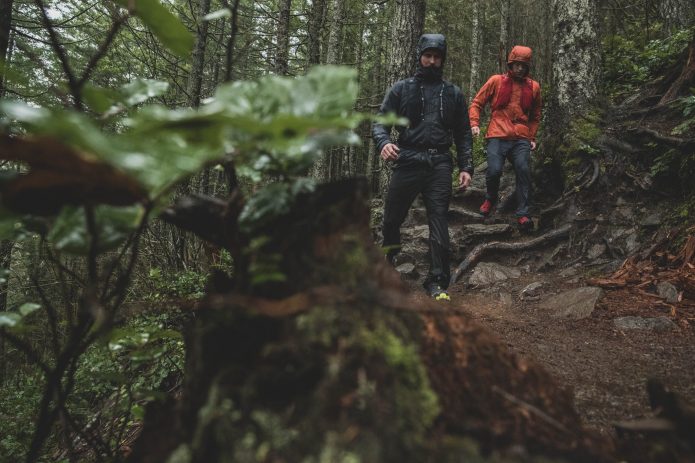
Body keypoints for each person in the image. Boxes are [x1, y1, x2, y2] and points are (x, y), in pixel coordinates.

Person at [372, 33, 473, 301]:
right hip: (407, 159)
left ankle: (437, 281)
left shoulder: (453, 94)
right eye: (427, 56)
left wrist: (466, 167)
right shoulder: (401, 89)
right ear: (419, 56)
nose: (431, 61)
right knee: (392, 218)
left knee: (438, 220)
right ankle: (388, 264)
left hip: (439, 163)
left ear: (442, 60)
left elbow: (463, 133)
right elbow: (380, 123)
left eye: (436, 57)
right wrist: (383, 142)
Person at [469, 45, 542, 231]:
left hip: (521, 137)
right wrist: (474, 123)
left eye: (523, 65)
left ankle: (523, 213)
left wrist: (532, 136)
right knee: (493, 170)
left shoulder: (534, 87)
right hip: (497, 133)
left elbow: (535, 116)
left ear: (527, 67)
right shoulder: (496, 81)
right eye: (516, 64)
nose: (519, 68)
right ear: (510, 64)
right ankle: (490, 198)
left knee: (523, 170)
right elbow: (477, 103)